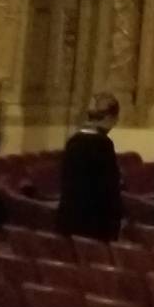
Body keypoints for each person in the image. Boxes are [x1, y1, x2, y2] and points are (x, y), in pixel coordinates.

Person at [55, 92, 124, 242]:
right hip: (93, 222)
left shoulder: (73, 140)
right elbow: (109, 188)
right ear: (110, 118)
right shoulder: (102, 144)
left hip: (69, 217)